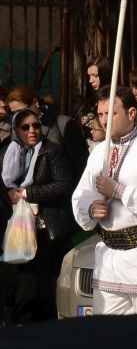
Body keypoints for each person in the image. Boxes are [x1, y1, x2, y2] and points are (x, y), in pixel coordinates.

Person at [71, 87, 137, 313]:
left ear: (132, 113)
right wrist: (92, 209)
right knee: (110, 337)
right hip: (109, 258)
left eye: (110, 114)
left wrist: (119, 191)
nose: (103, 121)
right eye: (100, 114)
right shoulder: (99, 152)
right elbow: (81, 195)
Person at [2, 109, 76, 322]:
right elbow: (4, 183)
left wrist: (27, 193)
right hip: (15, 226)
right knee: (15, 277)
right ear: (17, 130)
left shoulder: (51, 151)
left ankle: (28, 324)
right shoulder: (8, 151)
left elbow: (63, 184)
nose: (32, 130)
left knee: (34, 281)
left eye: (36, 125)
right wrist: (9, 194)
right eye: (25, 127)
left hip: (44, 226)